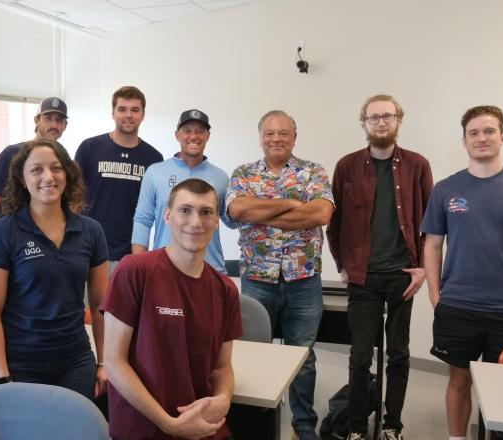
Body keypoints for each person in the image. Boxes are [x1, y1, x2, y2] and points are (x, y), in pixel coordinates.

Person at [422, 105, 503, 440]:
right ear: (464, 141)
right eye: (474, 133)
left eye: (489, 131)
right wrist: (436, 295)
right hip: (458, 306)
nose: (482, 138)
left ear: (502, 136)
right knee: (459, 380)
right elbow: (433, 245)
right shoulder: (446, 190)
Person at [103, 178, 243, 440]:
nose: (196, 221)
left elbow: (222, 368)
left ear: (215, 221)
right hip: (145, 428)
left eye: (206, 212)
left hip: (201, 426)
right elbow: (114, 361)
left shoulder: (225, 290)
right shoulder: (135, 271)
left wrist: (223, 399)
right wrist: (169, 424)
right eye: (185, 210)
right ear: (167, 216)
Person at [327, 95, 433, 440]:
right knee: (359, 357)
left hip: (402, 274)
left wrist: (423, 269)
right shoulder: (346, 166)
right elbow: (335, 222)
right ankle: (357, 428)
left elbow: (430, 224)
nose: (381, 122)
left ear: (399, 119)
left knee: (399, 355)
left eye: (387, 116)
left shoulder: (417, 165)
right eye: (374, 117)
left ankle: (392, 426)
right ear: (364, 123)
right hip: (363, 277)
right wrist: (343, 265)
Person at [226, 110, 334, 440]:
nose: (276, 139)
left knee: (304, 357)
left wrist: (263, 211)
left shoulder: (313, 171)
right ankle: (255, 422)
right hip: (258, 280)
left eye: (283, 133)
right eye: (270, 133)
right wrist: (290, 203)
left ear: (294, 137)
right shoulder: (243, 173)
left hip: (303, 280)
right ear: (260, 137)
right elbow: (237, 210)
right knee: (253, 353)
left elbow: (322, 213)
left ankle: (303, 427)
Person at [0, 139, 108, 400]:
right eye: (36, 170)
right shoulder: (4, 231)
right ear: (22, 179)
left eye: (56, 168)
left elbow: (99, 306)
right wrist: (1, 377)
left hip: (75, 362)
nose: (48, 177)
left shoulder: (91, 231)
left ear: (67, 174)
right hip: (19, 363)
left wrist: (104, 363)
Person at [131, 109, 235, 274]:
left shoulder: (221, 177)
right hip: (163, 270)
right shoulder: (155, 172)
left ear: (207, 136)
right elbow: (143, 220)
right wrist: (138, 267)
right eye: (187, 130)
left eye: (200, 131)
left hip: (212, 271)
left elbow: (232, 221)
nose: (193, 136)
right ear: (177, 135)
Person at [74, 86, 163, 271]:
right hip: (87, 249)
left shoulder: (154, 158)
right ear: (113, 113)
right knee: (88, 302)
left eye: (135, 110)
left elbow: (153, 211)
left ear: (143, 114)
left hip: (130, 255)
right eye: (122, 109)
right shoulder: (89, 148)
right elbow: (72, 197)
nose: (128, 115)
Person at [0, 97, 69, 220]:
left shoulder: (63, 158)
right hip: (11, 235)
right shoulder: (12, 153)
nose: (54, 125)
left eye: (59, 120)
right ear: (37, 120)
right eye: (48, 118)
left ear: (65, 125)